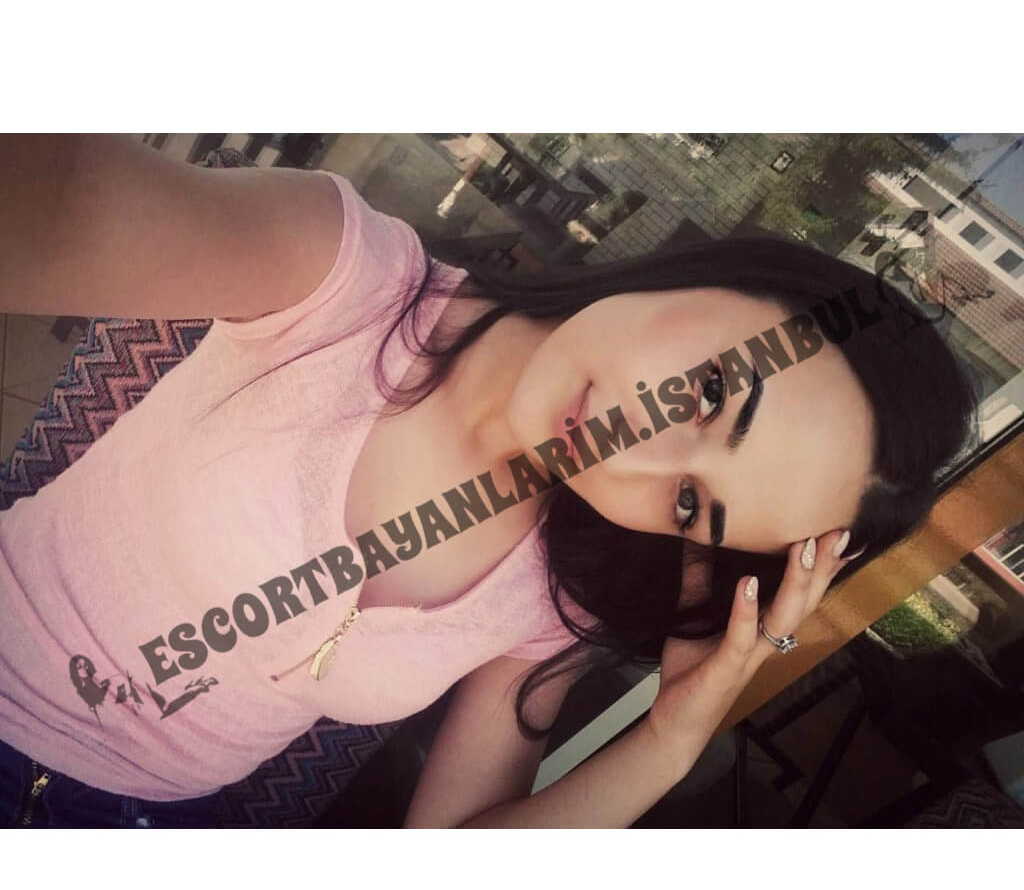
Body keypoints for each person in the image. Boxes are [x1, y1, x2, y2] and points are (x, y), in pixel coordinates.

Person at [0, 135, 978, 828]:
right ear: (722, 275)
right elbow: (65, 202)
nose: (626, 454)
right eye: (713, 391)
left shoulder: (551, 597)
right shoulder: (341, 283)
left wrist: (672, 736)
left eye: (689, 504)